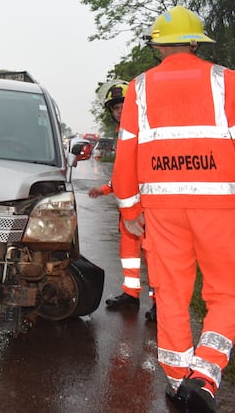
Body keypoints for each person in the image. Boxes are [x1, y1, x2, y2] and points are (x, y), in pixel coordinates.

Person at [112, 6, 235, 412]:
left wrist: (130, 207)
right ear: (197, 41)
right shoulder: (225, 80)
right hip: (218, 209)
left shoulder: (139, 87)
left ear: (158, 46)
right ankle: (204, 376)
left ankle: (177, 379)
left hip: (162, 211)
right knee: (232, 290)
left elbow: (126, 151)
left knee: (169, 293)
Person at [88, 81, 156, 320]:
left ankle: (160, 302)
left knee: (153, 254)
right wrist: (105, 189)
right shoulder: (123, 134)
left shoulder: (147, 131)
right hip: (129, 207)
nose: (119, 112)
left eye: (124, 106)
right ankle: (131, 294)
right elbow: (123, 173)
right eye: (115, 108)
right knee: (128, 251)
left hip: (148, 206)